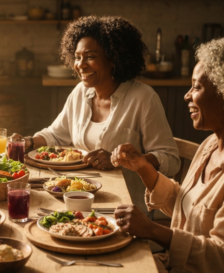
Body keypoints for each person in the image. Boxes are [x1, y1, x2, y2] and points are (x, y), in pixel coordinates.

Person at [11, 16, 180, 216]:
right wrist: (28, 141)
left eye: (90, 56)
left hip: (125, 207)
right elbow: (56, 134)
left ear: (113, 58)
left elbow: (170, 159)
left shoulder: (143, 98)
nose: (80, 65)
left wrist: (126, 159)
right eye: (77, 57)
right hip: (79, 199)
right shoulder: (80, 92)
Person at [111, 38, 224, 273]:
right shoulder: (211, 145)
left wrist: (152, 230)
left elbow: (219, 256)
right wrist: (142, 166)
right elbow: (186, 207)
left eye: (197, 87)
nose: (187, 95)